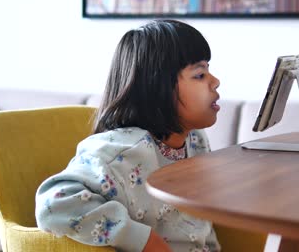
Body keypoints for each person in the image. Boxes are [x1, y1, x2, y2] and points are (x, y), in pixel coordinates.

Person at [35, 19, 221, 252]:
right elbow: (54, 204)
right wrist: (143, 240)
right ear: (157, 86)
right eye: (200, 75)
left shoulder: (196, 141)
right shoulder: (118, 152)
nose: (216, 81)